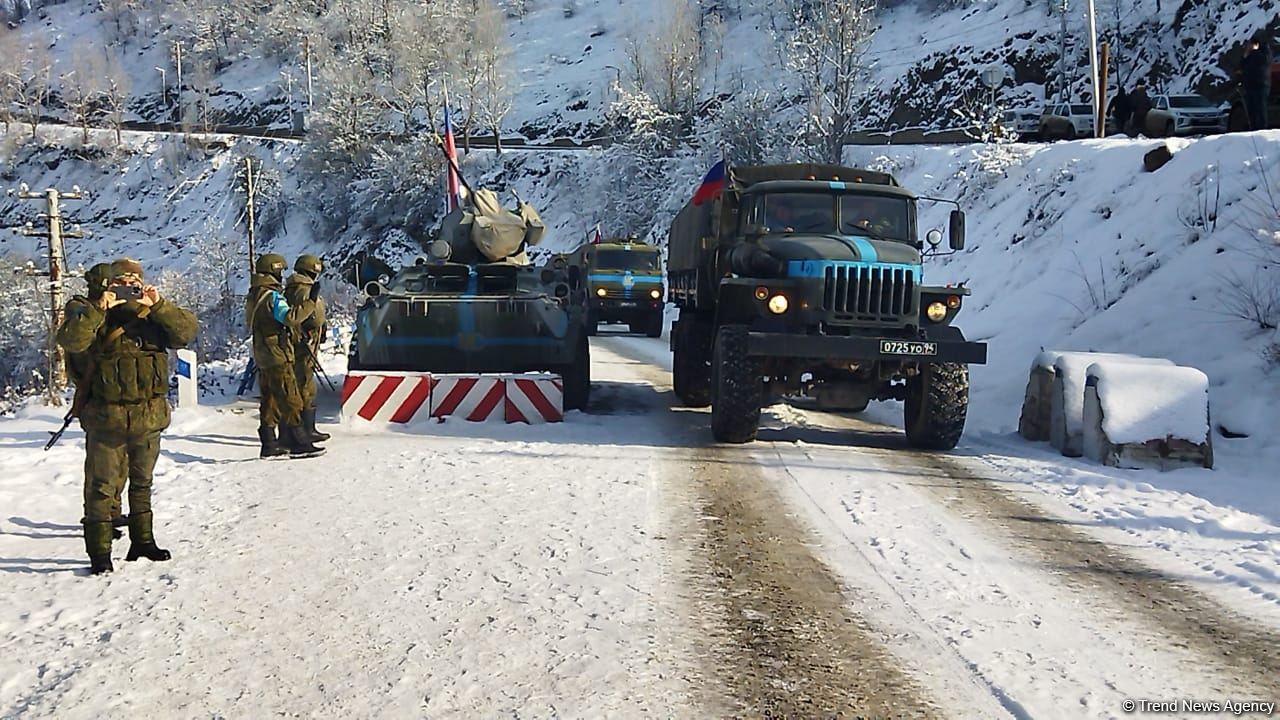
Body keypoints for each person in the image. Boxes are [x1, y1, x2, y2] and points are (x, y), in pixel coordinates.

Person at [55, 258, 198, 575]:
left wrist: (158, 304)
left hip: (148, 416)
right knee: (102, 487)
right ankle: (100, 554)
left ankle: (143, 541)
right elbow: (71, 340)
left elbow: (186, 332)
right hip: (106, 418)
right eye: (121, 281)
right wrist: (99, 307)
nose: (127, 287)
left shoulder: (151, 315)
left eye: (134, 281)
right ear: (108, 283)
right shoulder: (87, 310)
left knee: (143, 483)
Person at [67, 264, 129, 540]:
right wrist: (99, 309)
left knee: (122, 462)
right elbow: (74, 340)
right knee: (100, 466)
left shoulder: (118, 309)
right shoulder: (79, 308)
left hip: (121, 398)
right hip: (94, 396)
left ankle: (113, 511)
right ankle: (96, 517)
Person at [247, 253, 323, 459]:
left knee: (269, 398)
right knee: (291, 398)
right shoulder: (272, 296)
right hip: (278, 353)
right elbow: (290, 318)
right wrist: (310, 302)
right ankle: (299, 443)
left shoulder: (253, 295)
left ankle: (269, 443)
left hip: (262, 353)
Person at [284, 255, 330, 445]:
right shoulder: (304, 290)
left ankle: (307, 428)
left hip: (302, 341)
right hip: (303, 343)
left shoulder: (293, 288)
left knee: (304, 383)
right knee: (304, 385)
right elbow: (314, 317)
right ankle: (303, 430)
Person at [1242, 37, 1273, 131]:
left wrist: (1254, 51)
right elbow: (1242, 66)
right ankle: (1253, 127)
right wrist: (1245, 56)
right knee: (1251, 109)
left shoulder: (1264, 51)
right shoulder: (1249, 55)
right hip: (1249, 85)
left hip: (1261, 85)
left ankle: (1262, 128)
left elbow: (1265, 60)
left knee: (1260, 108)